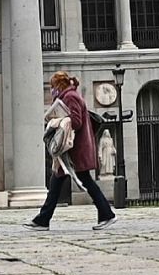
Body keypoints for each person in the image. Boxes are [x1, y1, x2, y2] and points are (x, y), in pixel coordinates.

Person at [25, 71, 117, 231]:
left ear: (60, 84)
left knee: (83, 182)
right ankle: (43, 220)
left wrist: (55, 121)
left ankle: (107, 214)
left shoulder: (70, 97)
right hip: (70, 150)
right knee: (57, 183)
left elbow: (76, 122)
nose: (52, 89)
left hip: (75, 149)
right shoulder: (68, 96)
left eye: (53, 86)